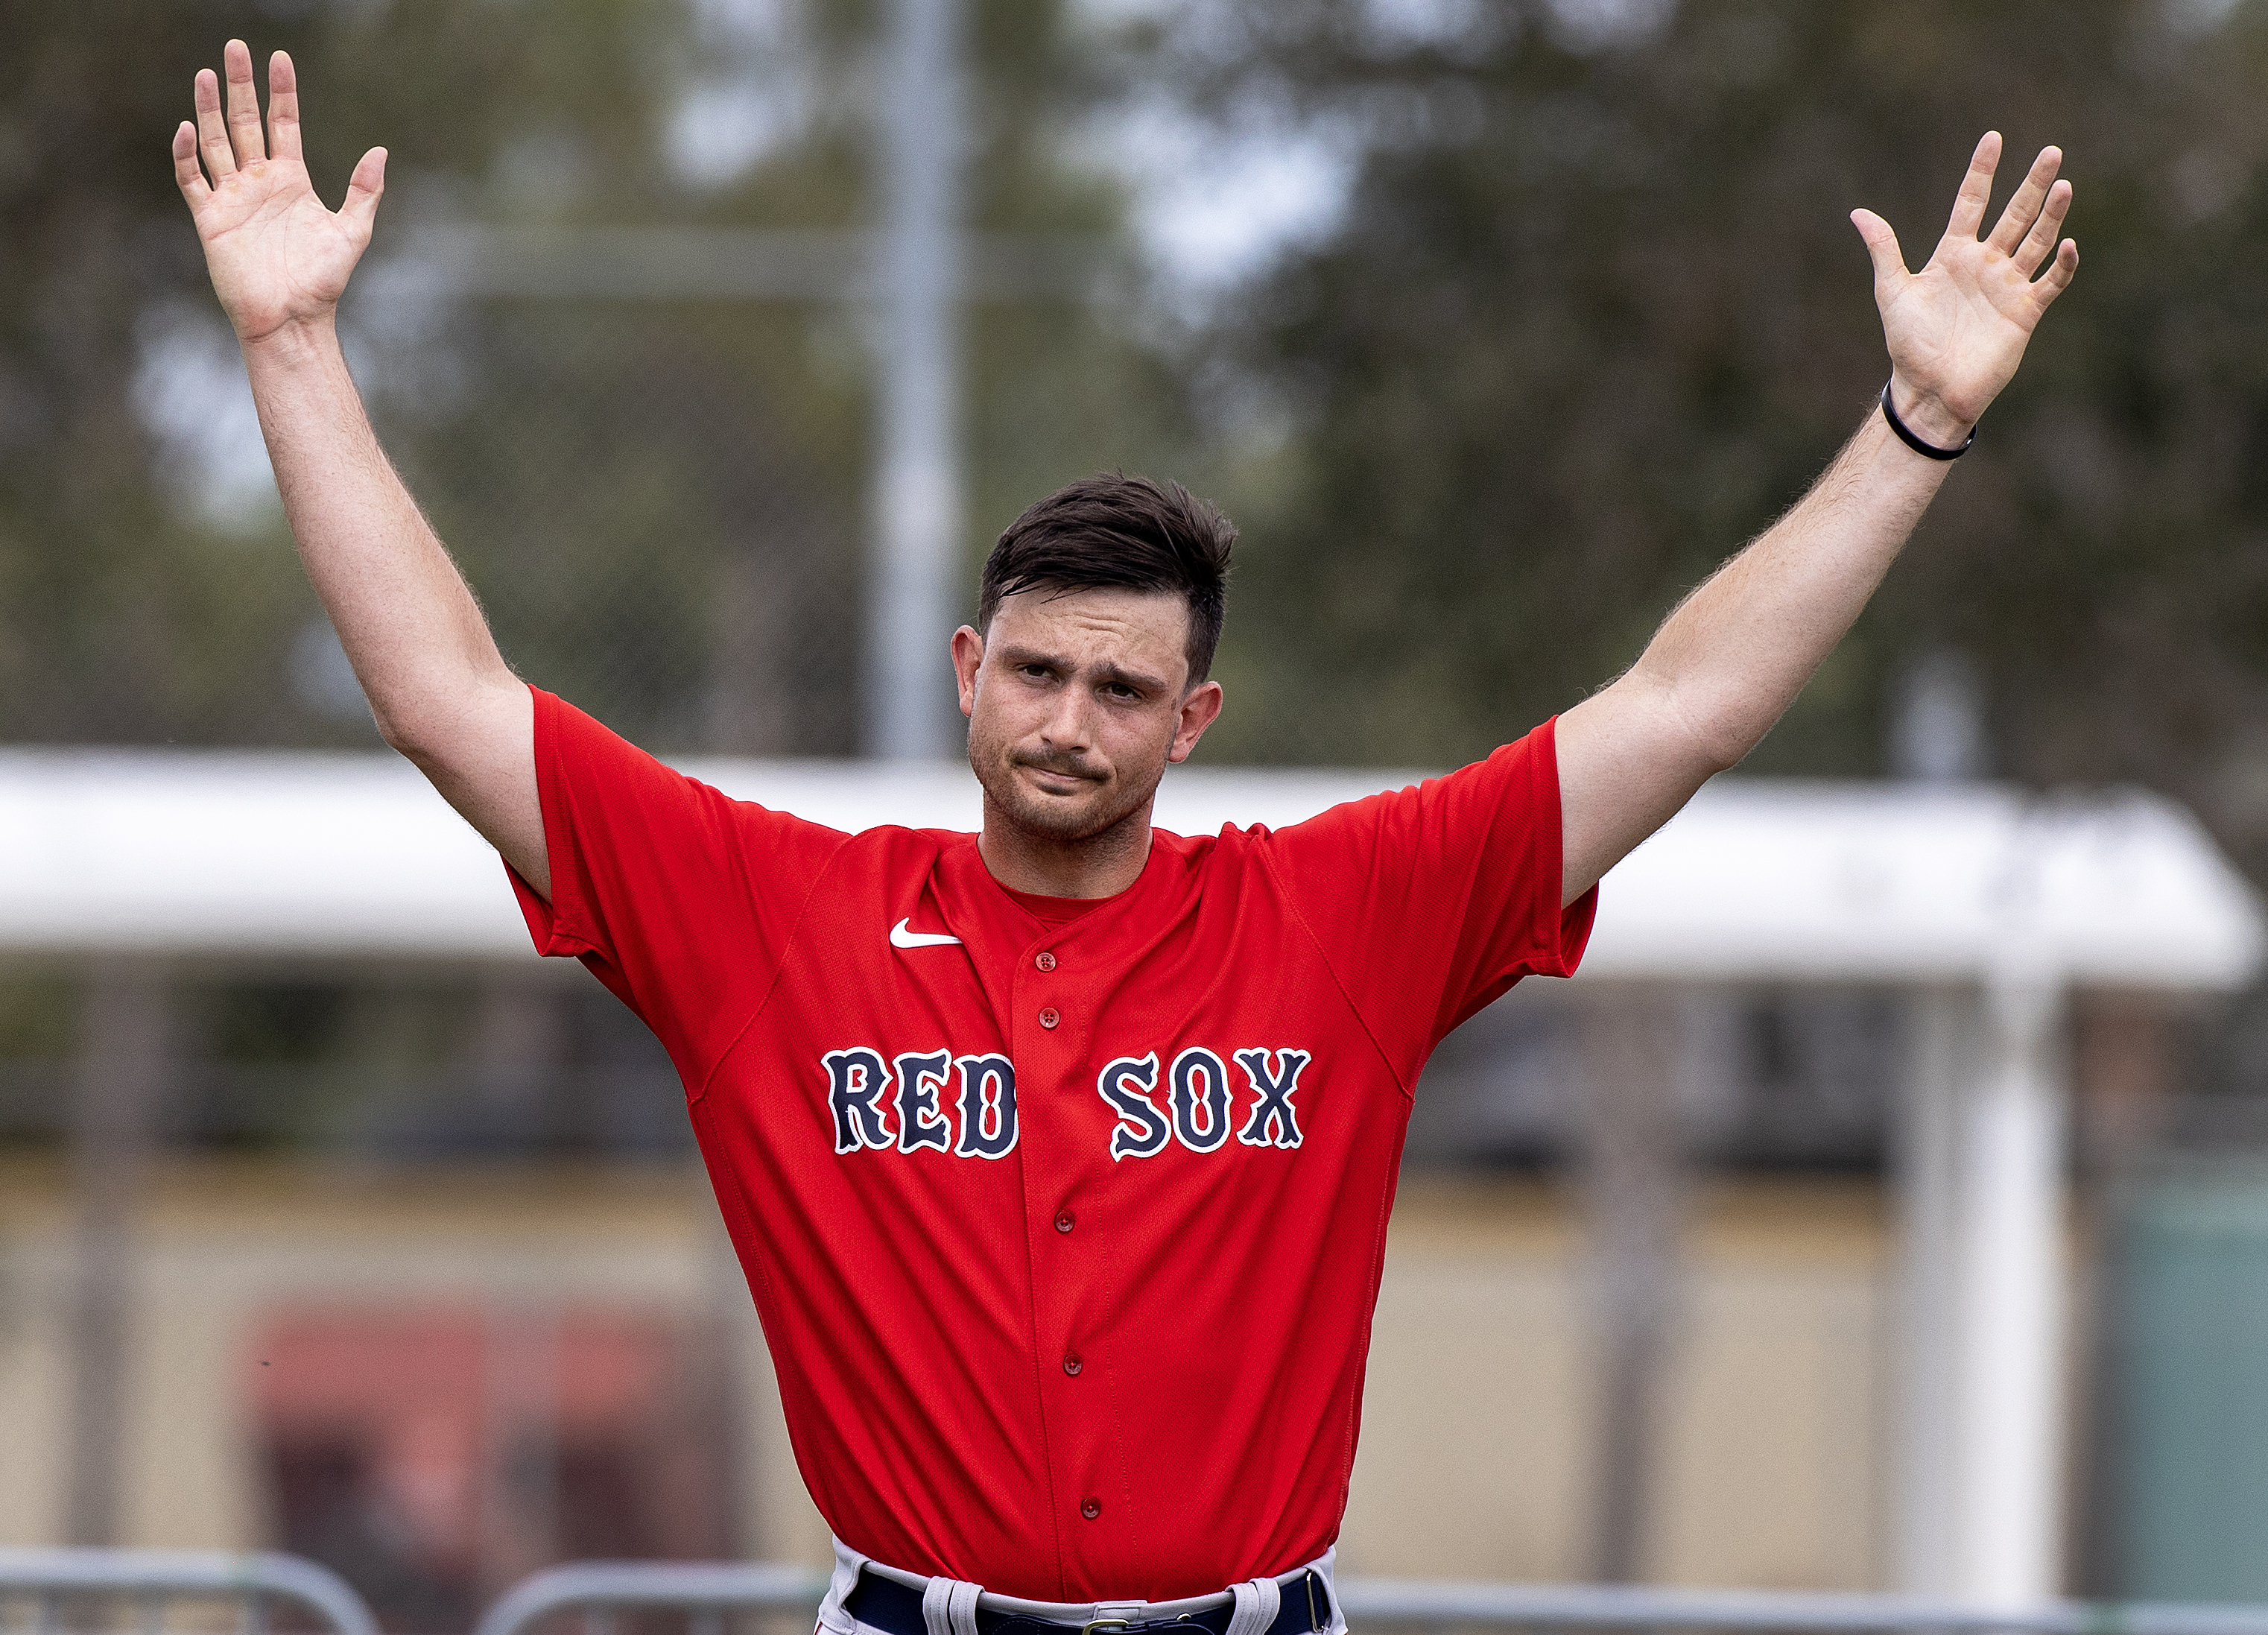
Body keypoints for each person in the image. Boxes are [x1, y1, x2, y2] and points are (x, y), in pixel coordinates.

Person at [171, 36, 2077, 1635]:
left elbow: (1683, 707)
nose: (1069, 719)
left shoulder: (1346, 916)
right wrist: (289, 343)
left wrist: (1911, 422)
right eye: (1038, 670)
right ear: (968, 672)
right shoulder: (773, 914)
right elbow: (448, 698)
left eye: (1120, 687)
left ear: (1195, 718)